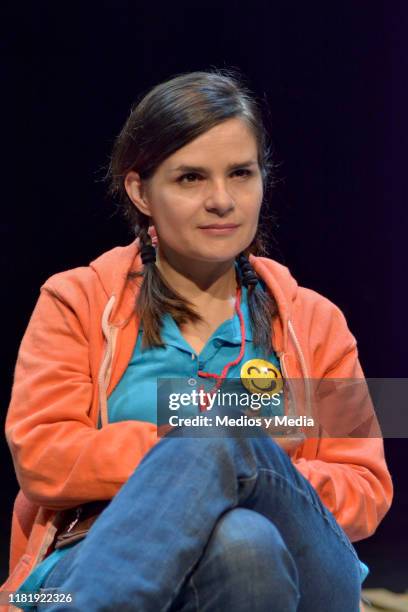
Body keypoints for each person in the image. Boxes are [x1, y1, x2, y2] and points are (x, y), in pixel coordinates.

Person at [1, 69, 393, 612]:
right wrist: (189, 447)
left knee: (223, 443)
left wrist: (244, 468)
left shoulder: (316, 320)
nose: (222, 200)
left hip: (307, 563)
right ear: (141, 190)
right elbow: (43, 456)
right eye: (190, 178)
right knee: (241, 539)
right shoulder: (79, 300)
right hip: (91, 551)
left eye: (240, 174)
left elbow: (365, 486)